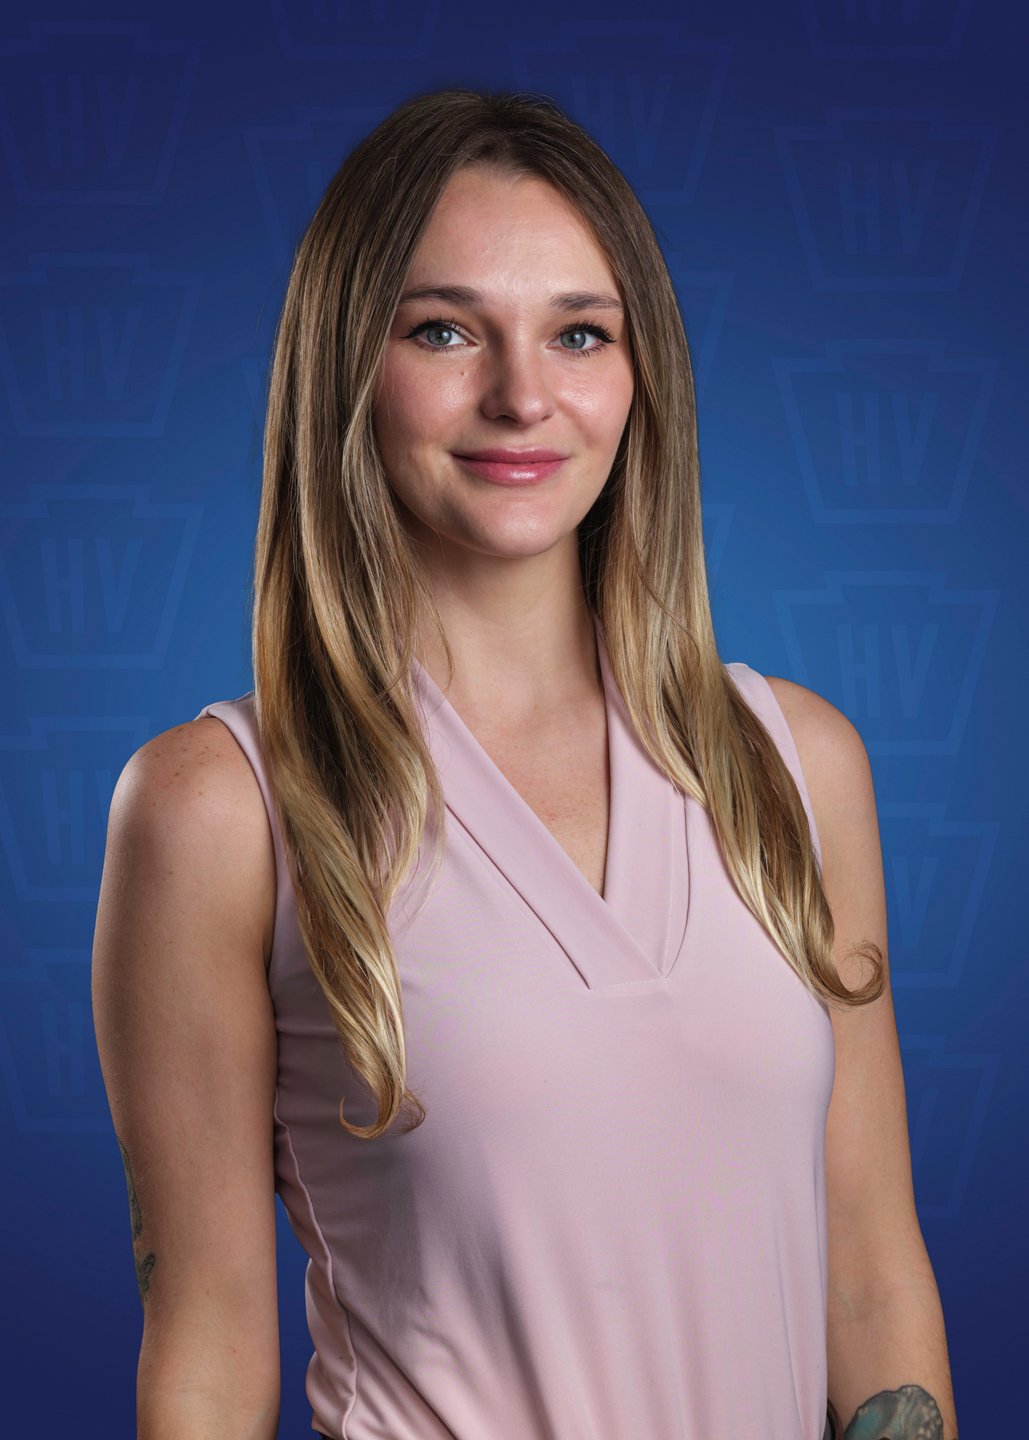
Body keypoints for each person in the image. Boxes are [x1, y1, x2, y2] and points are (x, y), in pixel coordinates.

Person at [91, 89, 958, 1440]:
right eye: (443, 330)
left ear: (640, 375)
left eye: (578, 333)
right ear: (346, 366)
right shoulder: (221, 809)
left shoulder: (795, 765)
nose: (521, 396)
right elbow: (206, 1346)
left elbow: (870, 1271)